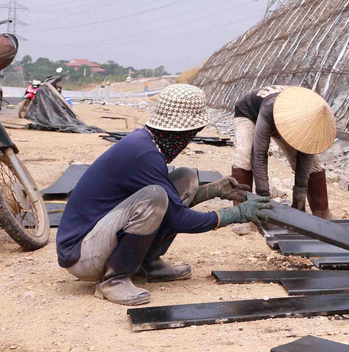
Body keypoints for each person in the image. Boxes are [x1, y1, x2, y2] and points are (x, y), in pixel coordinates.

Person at [56, 84, 271, 306]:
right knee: (156, 197)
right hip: (82, 255)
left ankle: (148, 263)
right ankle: (115, 278)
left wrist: (211, 191)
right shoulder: (144, 155)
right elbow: (178, 219)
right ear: (180, 132)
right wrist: (236, 214)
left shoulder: (145, 143)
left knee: (185, 177)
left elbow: (172, 208)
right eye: (191, 134)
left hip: (98, 236)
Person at [232, 85, 334, 219]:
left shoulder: (311, 115)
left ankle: (322, 213)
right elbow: (259, 156)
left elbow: (305, 154)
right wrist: (263, 199)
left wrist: (299, 199)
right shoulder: (269, 110)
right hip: (250, 114)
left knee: (313, 165)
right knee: (246, 158)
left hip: (288, 117)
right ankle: (242, 215)